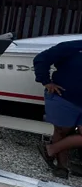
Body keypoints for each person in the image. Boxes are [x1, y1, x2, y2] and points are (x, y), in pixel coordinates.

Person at [35, 38, 82, 178]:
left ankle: (50, 149)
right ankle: (62, 167)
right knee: (62, 131)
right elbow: (41, 59)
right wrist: (46, 82)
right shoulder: (72, 46)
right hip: (64, 97)